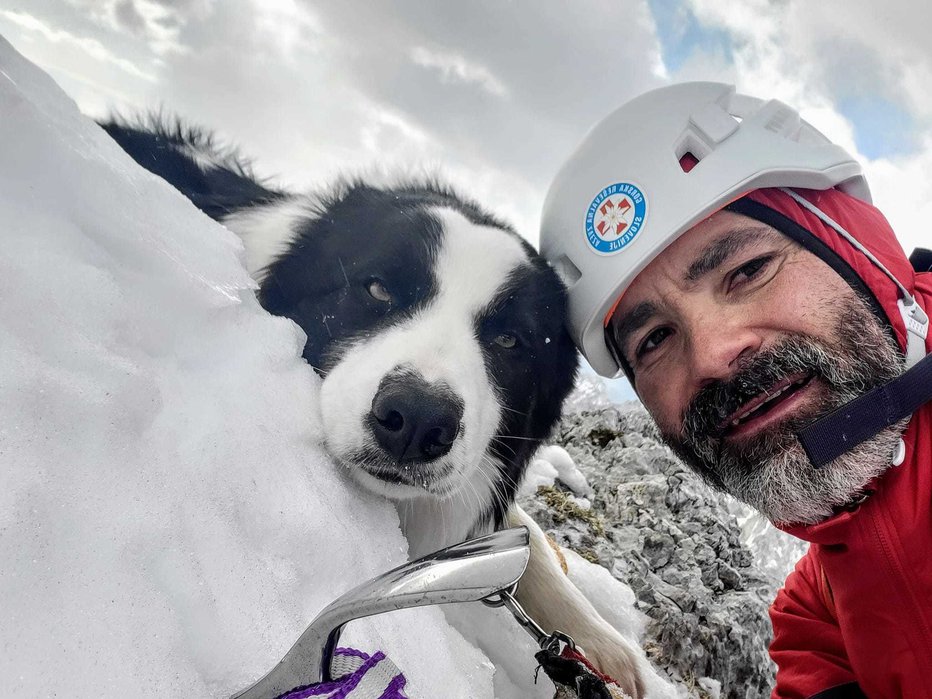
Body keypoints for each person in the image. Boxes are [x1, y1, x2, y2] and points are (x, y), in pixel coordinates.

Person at [539, 82, 932, 698]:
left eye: (747, 270)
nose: (714, 356)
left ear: (862, 252)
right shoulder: (817, 620)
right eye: (654, 340)